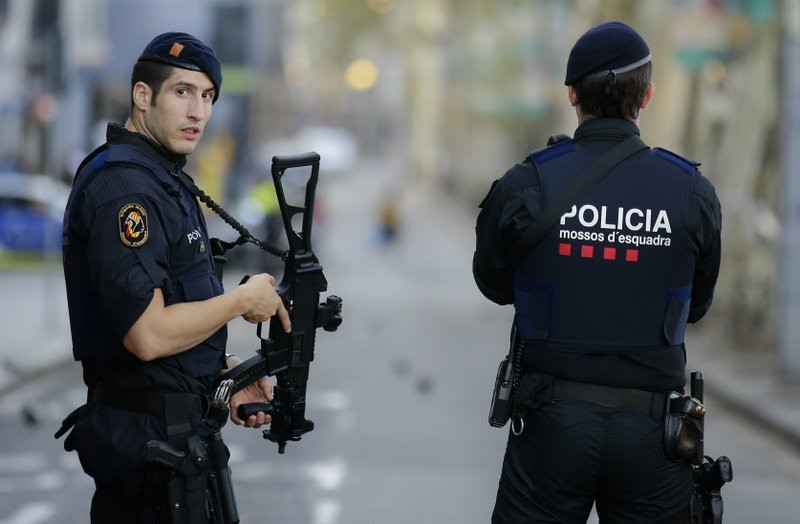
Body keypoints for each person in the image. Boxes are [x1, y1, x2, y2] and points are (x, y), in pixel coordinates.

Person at [473, 21, 722, 524]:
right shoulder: (691, 191)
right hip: (656, 436)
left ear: (571, 95)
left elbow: (493, 284)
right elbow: (696, 306)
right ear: (648, 96)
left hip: (550, 429)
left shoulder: (528, 182)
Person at [58, 32, 291, 522]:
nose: (198, 112)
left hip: (180, 449)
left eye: (207, 97)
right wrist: (240, 302)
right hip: (149, 460)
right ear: (143, 96)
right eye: (182, 92)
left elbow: (175, 307)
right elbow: (147, 334)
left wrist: (223, 371)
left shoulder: (162, 179)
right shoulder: (124, 190)